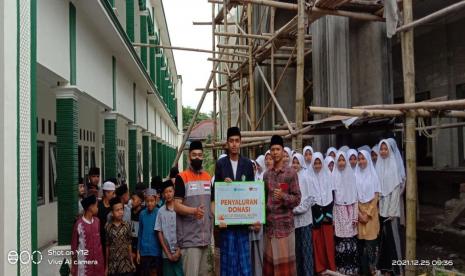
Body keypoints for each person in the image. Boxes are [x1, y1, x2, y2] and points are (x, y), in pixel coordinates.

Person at [212, 127, 257, 276]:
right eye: (231, 141)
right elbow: (214, 196)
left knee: (244, 265)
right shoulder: (221, 164)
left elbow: (252, 193)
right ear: (226, 144)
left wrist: (254, 219)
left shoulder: (247, 165)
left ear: (241, 143)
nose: (234, 144)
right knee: (229, 263)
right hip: (227, 225)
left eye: (237, 141)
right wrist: (219, 219)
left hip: (243, 223)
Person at [263, 135, 301, 276]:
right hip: (270, 229)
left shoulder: (291, 173)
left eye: (278, 149)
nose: (275, 152)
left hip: (285, 229)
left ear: (283, 151)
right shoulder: (267, 175)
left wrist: (283, 197)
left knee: (285, 271)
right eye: (272, 149)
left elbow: (297, 199)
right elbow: (263, 199)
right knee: (271, 269)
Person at [173, 141, 212, 276]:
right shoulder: (181, 178)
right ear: (189, 157)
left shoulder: (208, 177)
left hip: (205, 240)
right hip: (190, 241)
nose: (197, 158)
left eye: (200, 155)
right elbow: (176, 205)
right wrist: (194, 211)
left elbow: (211, 205)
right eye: (194, 155)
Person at [376, 139, 405, 275]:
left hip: (392, 213)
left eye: (385, 149)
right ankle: (387, 269)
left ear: (390, 150)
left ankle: (399, 270)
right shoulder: (379, 165)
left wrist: (392, 212)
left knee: (395, 240)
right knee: (385, 241)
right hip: (382, 210)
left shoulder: (394, 166)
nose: (383, 152)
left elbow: (395, 190)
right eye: (381, 149)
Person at [355, 150, 381, 276]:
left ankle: (373, 269)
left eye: (363, 158)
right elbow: (353, 196)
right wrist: (359, 214)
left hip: (371, 214)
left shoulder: (373, 175)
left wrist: (368, 213)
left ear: (368, 160)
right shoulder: (355, 175)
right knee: (361, 245)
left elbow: (376, 196)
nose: (361, 161)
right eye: (359, 159)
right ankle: (363, 270)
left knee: (371, 244)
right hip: (359, 213)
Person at [310, 152, 336, 274]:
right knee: (318, 245)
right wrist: (320, 216)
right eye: (315, 163)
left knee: (329, 244)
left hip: (327, 218)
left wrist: (327, 215)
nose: (317, 165)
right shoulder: (310, 178)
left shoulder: (328, 176)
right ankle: (320, 268)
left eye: (319, 162)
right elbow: (311, 198)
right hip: (316, 218)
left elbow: (331, 196)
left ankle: (330, 266)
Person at [333, 151, 359, 275]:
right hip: (338, 212)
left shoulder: (351, 176)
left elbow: (355, 197)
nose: (341, 163)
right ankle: (342, 268)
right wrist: (333, 218)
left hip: (351, 210)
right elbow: (332, 199)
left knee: (351, 241)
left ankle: (352, 268)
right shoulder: (334, 176)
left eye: (343, 160)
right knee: (341, 241)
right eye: (339, 160)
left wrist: (354, 216)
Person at [291, 153, 314, 276]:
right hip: (294, 222)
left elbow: (310, 198)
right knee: (297, 252)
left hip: (304, 220)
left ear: (301, 163)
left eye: (297, 162)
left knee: (306, 251)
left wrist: (298, 209)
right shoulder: (290, 177)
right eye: (293, 162)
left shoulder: (306, 176)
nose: (295, 165)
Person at [71, 195, 105, 276]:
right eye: (96, 206)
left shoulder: (97, 221)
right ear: (90, 207)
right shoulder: (79, 224)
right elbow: (74, 246)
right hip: (84, 265)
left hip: (98, 264)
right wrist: (73, 265)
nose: (97, 208)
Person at [156, 180, 183, 276]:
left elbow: (185, 231)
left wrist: (179, 251)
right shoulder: (160, 211)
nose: (168, 194)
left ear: (174, 191)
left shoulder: (180, 209)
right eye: (165, 192)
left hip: (181, 253)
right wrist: (168, 254)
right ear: (163, 194)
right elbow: (159, 233)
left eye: (170, 191)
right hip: (166, 255)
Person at [105, 197, 135, 276]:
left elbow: (129, 244)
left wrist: (132, 262)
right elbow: (107, 246)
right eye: (117, 210)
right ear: (112, 212)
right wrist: (107, 267)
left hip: (126, 266)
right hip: (113, 267)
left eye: (121, 209)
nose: (120, 212)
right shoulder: (108, 227)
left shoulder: (127, 225)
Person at [137, 188, 162, 276]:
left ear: (156, 200)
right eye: (147, 201)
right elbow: (140, 233)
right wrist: (138, 252)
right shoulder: (142, 214)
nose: (149, 203)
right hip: (144, 252)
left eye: (152, 201)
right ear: (145, 201)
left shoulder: (159, 212)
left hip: (156, 251)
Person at [98, 181, 116, 254]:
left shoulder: (114, 206)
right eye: (113, 193)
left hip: (112, 238)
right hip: (101, 237)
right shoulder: (98, 206)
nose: (114, 195)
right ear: (106, 193)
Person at [131, 191, 144, 275]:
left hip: (139, 247)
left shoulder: (143, 213)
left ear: (140, 201)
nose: (131, 201)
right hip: (131, 245)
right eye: (131, 199)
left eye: (134, 199)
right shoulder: (130, 211)